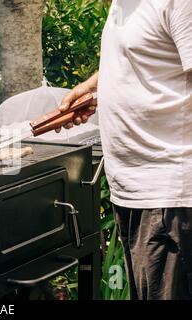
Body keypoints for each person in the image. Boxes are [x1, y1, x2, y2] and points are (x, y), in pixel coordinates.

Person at [58, 0, 192, 300]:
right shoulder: (123, 4)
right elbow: (143, 53)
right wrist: (97, 86)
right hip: (135, 191)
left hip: (170, 195)